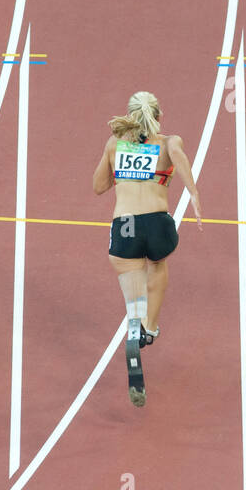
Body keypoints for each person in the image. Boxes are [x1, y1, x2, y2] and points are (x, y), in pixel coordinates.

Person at [93, 91, 202, 407]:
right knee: (157, 264)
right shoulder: (168, 141)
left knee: (131, 278)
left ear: (129, 115)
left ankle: (133, 325)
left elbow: (99, 186)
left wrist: (120, 164)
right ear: (159, 116)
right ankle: (148, 329)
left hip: (124, 224)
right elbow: (179, 156)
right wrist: (192, 192)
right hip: (156, 222)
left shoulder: (114, 145)